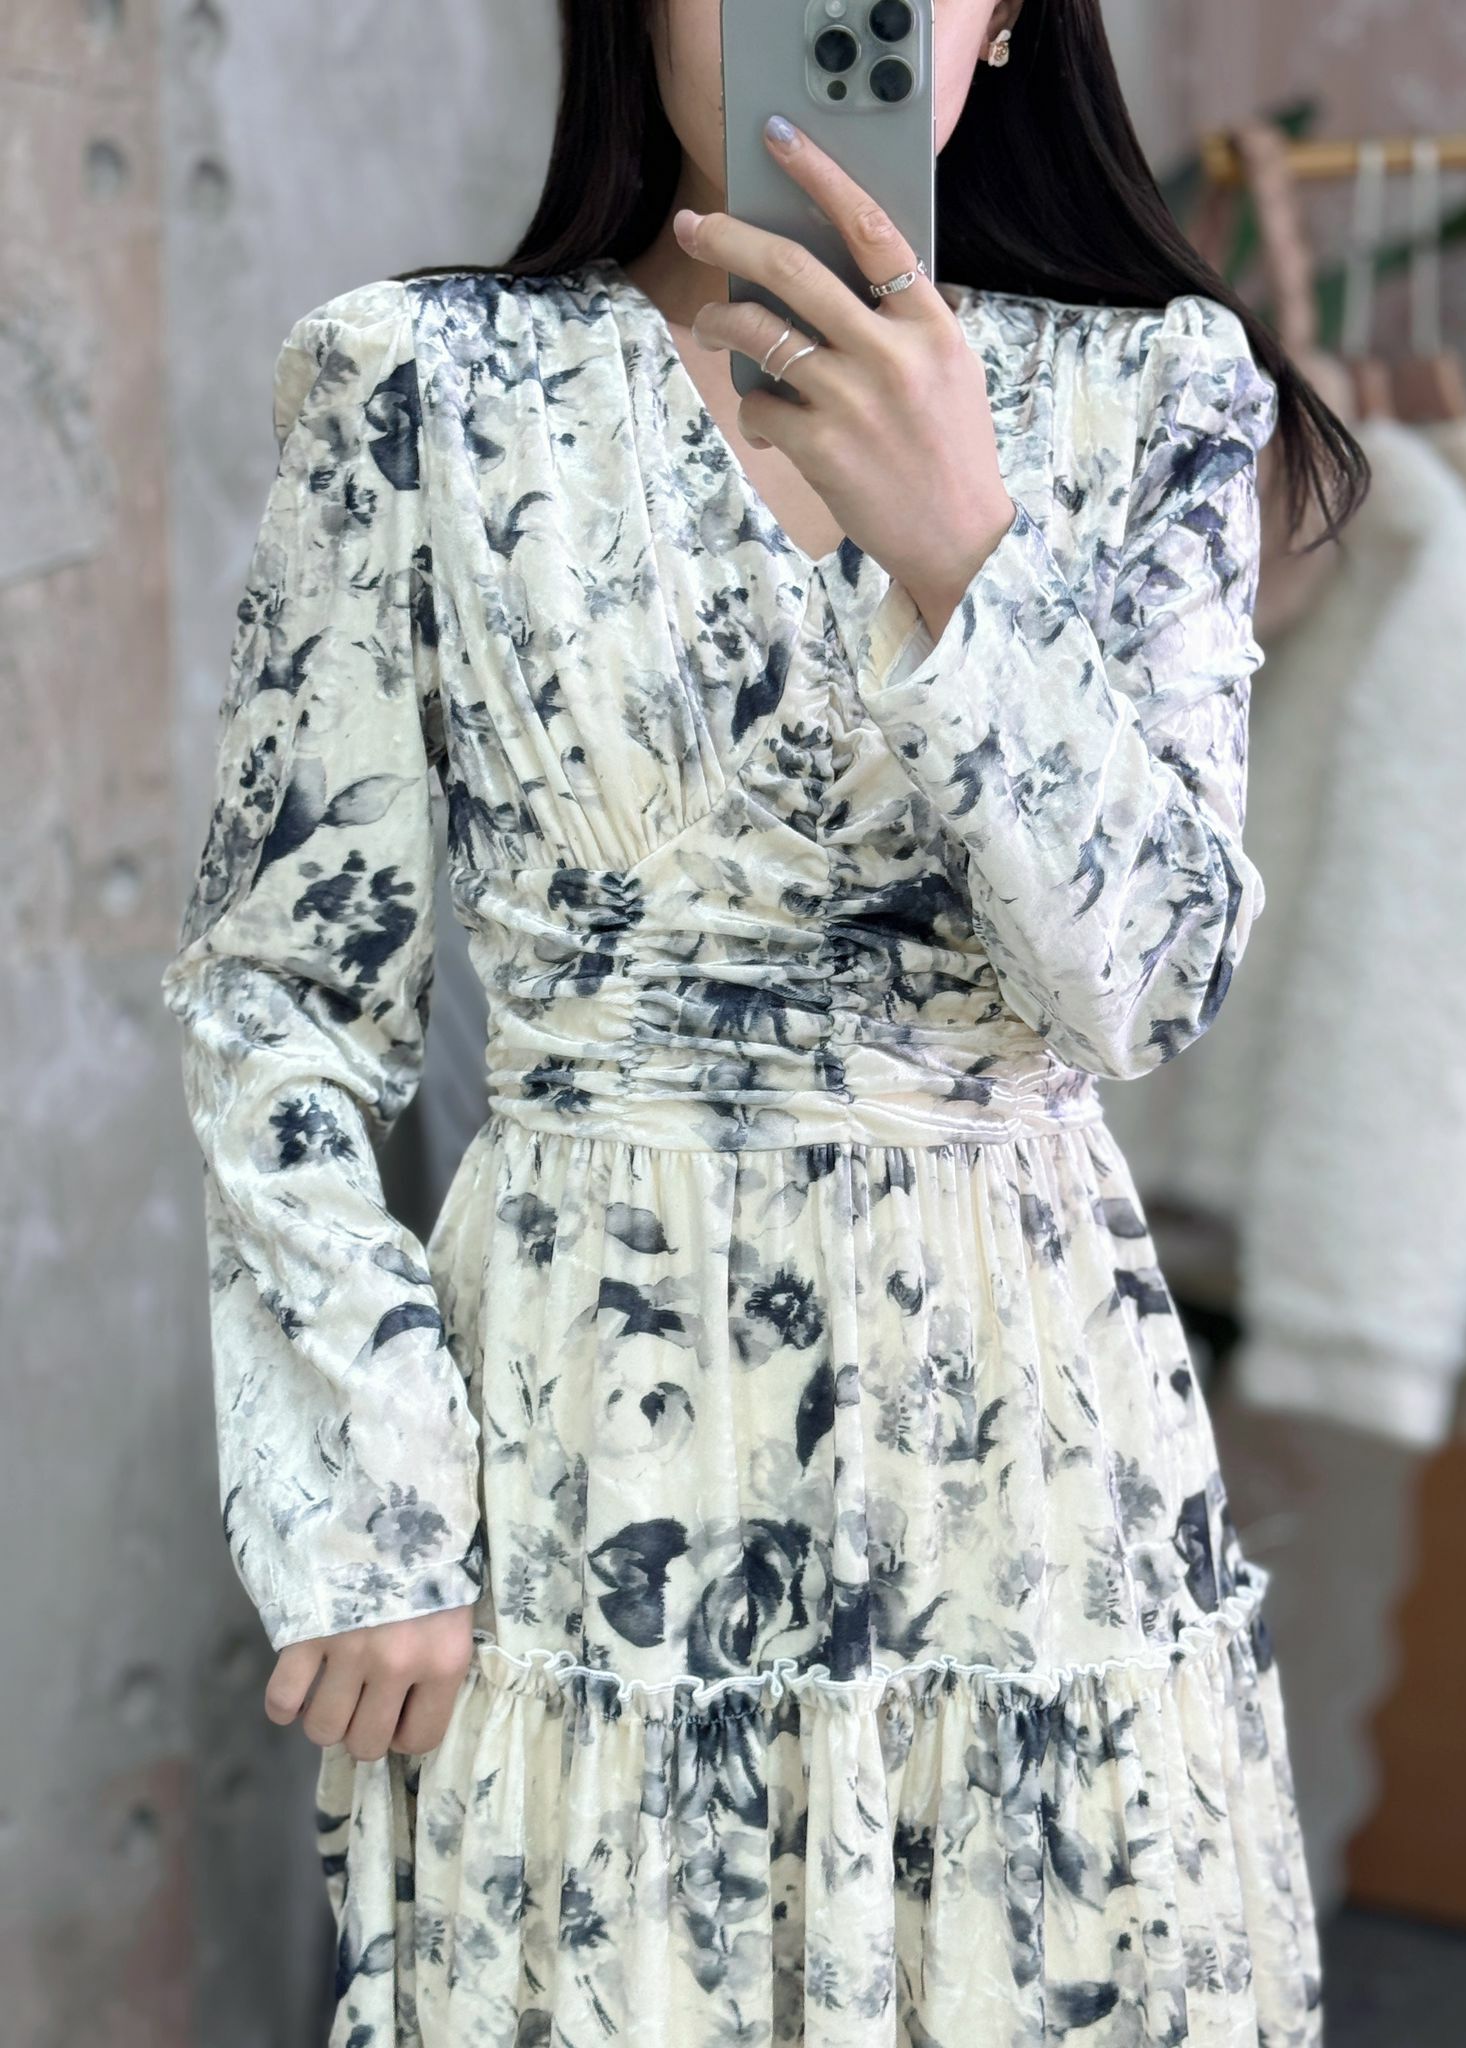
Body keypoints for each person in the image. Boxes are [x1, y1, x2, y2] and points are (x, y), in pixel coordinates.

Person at [160, 2, 1366, 2043]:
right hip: (582, 1477)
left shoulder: (1153, 390)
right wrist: (364, 1500)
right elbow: (280, 982)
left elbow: (1153, 983)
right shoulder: (423, 384)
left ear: (1006, 23)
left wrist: (961, 545)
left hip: (1027, 1498)